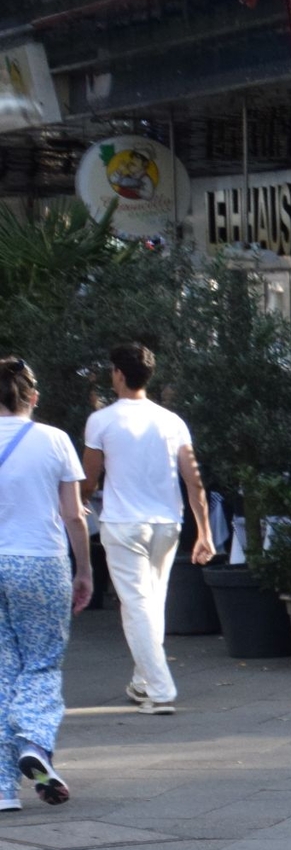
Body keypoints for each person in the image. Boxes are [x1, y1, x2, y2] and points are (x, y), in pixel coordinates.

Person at [80, 344, 213, 715]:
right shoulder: (172, 421)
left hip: (123, 524)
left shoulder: (102, 420)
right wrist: (204, 530)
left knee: (137, 605)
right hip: (167, 524)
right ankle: (142, 681)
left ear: (118, 375)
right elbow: (194, 480)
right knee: (151, 603)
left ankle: (159, 688)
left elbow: (89, 479)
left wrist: (79, 503)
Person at [0, 357, 90, 810]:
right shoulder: (55, 440)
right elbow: (73, 515)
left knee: (1, 669)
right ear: (33, 397)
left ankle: (1, 791)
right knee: (41, 662)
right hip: (39, 562)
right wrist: (85, 569)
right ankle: (34, 741)